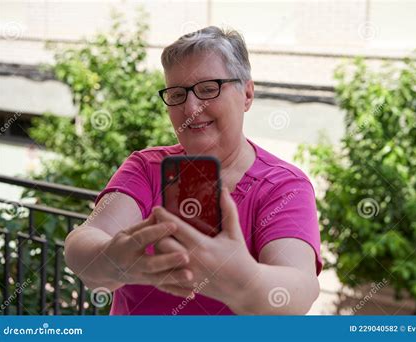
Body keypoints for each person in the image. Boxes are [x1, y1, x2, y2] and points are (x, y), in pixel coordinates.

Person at [64, 26, 322, 315]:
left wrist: (245, 282)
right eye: (176, 94)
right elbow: (83, 243)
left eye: (208, 89)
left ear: (247, 94)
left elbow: (300, 289)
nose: (191, 108)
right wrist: (115, 261)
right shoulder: (146, 168)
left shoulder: (283, 186)